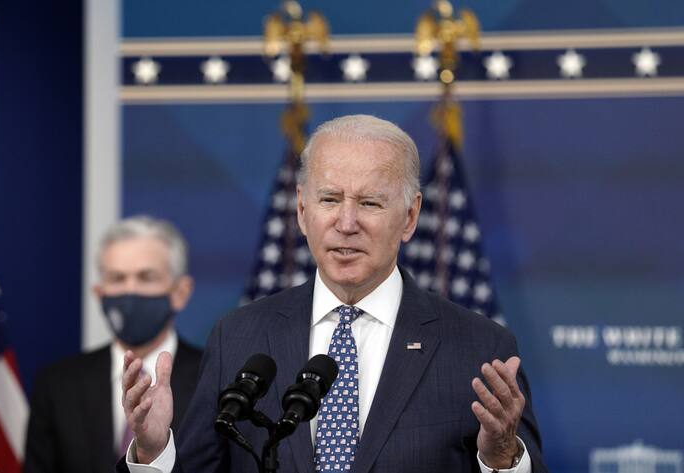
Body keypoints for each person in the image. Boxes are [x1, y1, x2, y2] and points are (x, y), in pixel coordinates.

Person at [120, 115, 548, 472]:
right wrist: (153, 453)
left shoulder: (479, 347)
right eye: (329, 199)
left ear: (410, 216)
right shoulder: (238, 338)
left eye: (370, 203)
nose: (346, 223)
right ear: (303, 211)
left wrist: (502, 458)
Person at [24, 216, 203, 473]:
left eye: (146, 277)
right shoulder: (57, 384)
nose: (130, 291)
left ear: (180, 292)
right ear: (99, 293)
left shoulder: (212, 379)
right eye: (117, 278)